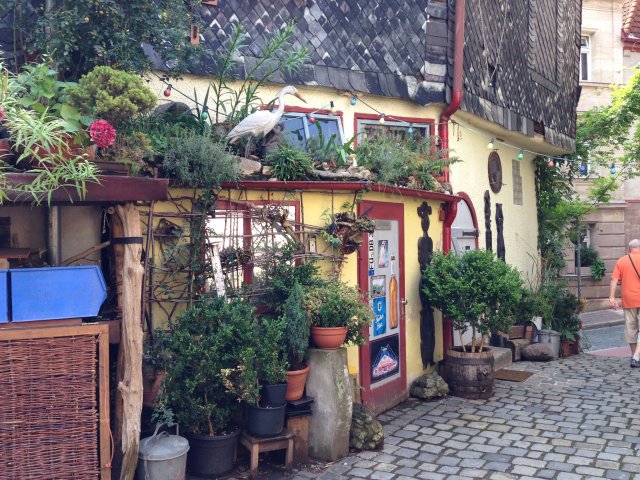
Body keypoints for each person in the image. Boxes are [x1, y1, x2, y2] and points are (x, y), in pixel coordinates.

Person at [609, 239, 640, 367]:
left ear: (629, 249)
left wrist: (612, 297)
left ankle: (634, 357)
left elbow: (614, 280)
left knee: (630, 328)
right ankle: (637, 356)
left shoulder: (621, 261)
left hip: (628, 299)